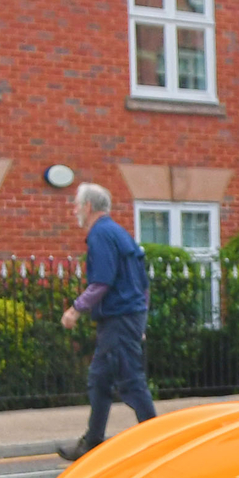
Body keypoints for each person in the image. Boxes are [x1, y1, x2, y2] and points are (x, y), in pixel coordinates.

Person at [57, 183, 156, 460]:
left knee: (130, 382)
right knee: (100, 380)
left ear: (88, 207)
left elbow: (102, 282)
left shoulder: (100, 234)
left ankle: (158, 442)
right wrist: (141, 321)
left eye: (77, 204)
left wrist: (75, 310)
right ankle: (92, 442)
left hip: (118, 318)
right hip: (128, 317)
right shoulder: (119, 233)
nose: (75, 210)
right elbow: (143, 284)